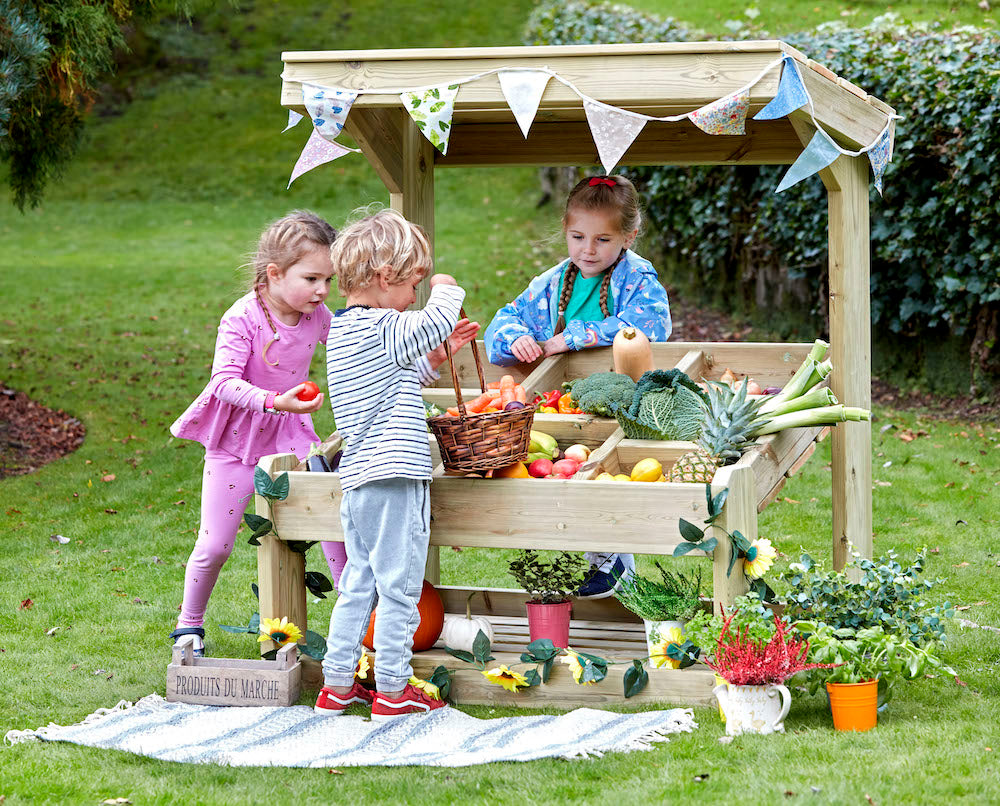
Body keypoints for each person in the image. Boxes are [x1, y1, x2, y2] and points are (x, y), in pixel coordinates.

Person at [314, 208, 479, 721]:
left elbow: (396, 377)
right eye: (413, 283)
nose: (415, 294)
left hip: (360, 479)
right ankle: (391, 688)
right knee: (401, 588)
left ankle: (337, 686)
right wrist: (447, 287)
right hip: (394, 478)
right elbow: (432, 319)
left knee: (357, 584)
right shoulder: (388, 324)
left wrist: (436, 356)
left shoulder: (345, 331)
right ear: (385, 278)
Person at [483, 174, 673, 598]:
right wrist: (517, 337)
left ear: (629, 236)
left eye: (603, 240)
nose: (588, 250)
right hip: (569, 400)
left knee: (609, 476)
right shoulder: (553, 282)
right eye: (578, 237)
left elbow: (651, 326)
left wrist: (572, 337)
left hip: (627, 395)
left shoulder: (639, 277)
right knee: (569, 473)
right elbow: (504, 318)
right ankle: (600, 563)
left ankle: (614, 563)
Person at [169, 210, 348, 656]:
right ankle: (189, 627)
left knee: (332, 524)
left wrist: (424, 361)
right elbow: (224, 383)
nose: (323, 291)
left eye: (329, 279)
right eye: (312, 279)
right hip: (236, 446)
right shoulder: (242, 318)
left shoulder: (317, 315)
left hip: (294, 439)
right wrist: (275, 400)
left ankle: (359, 618)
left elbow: (353, 347)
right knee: (213, 545)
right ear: (274, 273)